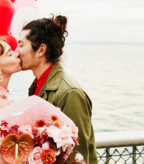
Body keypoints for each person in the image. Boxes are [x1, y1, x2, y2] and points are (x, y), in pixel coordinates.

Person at [16, 15, 98, 164]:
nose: (16, 52)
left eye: (21, 45)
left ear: (41, 50)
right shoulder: (36, 86)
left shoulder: (70, 93)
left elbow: (78, 156)